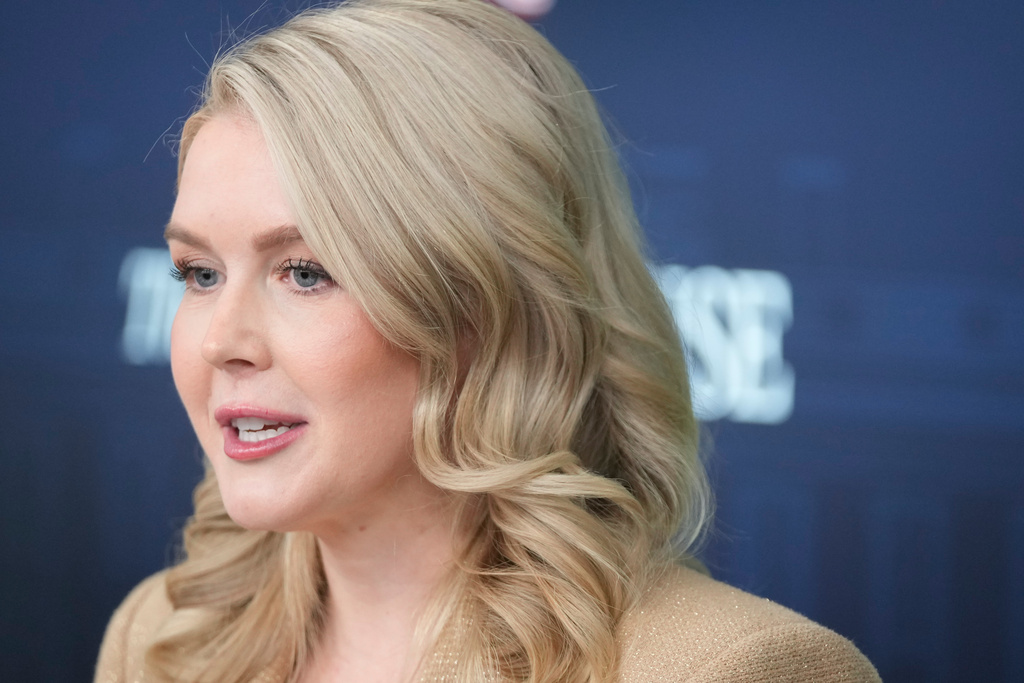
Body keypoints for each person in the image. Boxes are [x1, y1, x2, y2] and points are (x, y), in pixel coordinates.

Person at [96, 1, 880, 681]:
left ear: (484, 305)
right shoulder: (158, 639)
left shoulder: (740, 670)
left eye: (304, 271)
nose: (219, 343)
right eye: (198, 274)